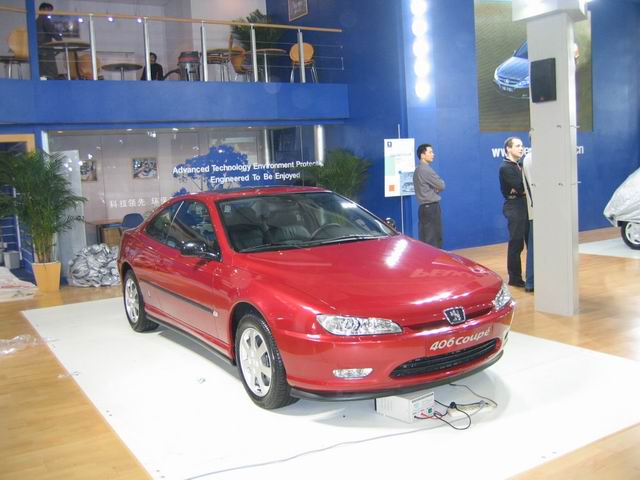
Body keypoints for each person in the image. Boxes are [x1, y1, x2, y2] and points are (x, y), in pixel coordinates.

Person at [498, 136, 529, 288]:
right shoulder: (505, 167)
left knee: (530, 242)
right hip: (514, 206)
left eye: (522, 145)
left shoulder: (521, 165)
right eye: (517, 146)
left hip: (525, 205)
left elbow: (525, 187)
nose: (521, 148)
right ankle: (515, 278)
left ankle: (532, 276)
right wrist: (522, 190)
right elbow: (522, 187)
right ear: (508, 149)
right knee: (516, 243)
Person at [413, 143, 445, 248]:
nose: (433, 154)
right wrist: (435, 188)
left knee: (425, 237)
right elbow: (441, 185)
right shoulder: (426, 169)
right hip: (431, 208)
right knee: (434, 239)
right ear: (422, 155)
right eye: (430, 152)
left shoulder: (417, 170)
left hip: (423, 208)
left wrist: (433, 188)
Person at [36, 2, 62, 79]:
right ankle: (51, 85)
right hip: (46, 49)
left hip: (39, 49)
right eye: (48, 10)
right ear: (42, 9)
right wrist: (61, 41)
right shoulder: (44, 19)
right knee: (51, 71)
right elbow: (52, 31)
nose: (49, 12)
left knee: (42, 71)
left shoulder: (36, 21)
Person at [522, 151, 534, 293]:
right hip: (538, 212)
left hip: (537, 211)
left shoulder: (529, 159)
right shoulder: (531, 158)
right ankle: (531, 281)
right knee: (534, 248)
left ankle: (532, 281)